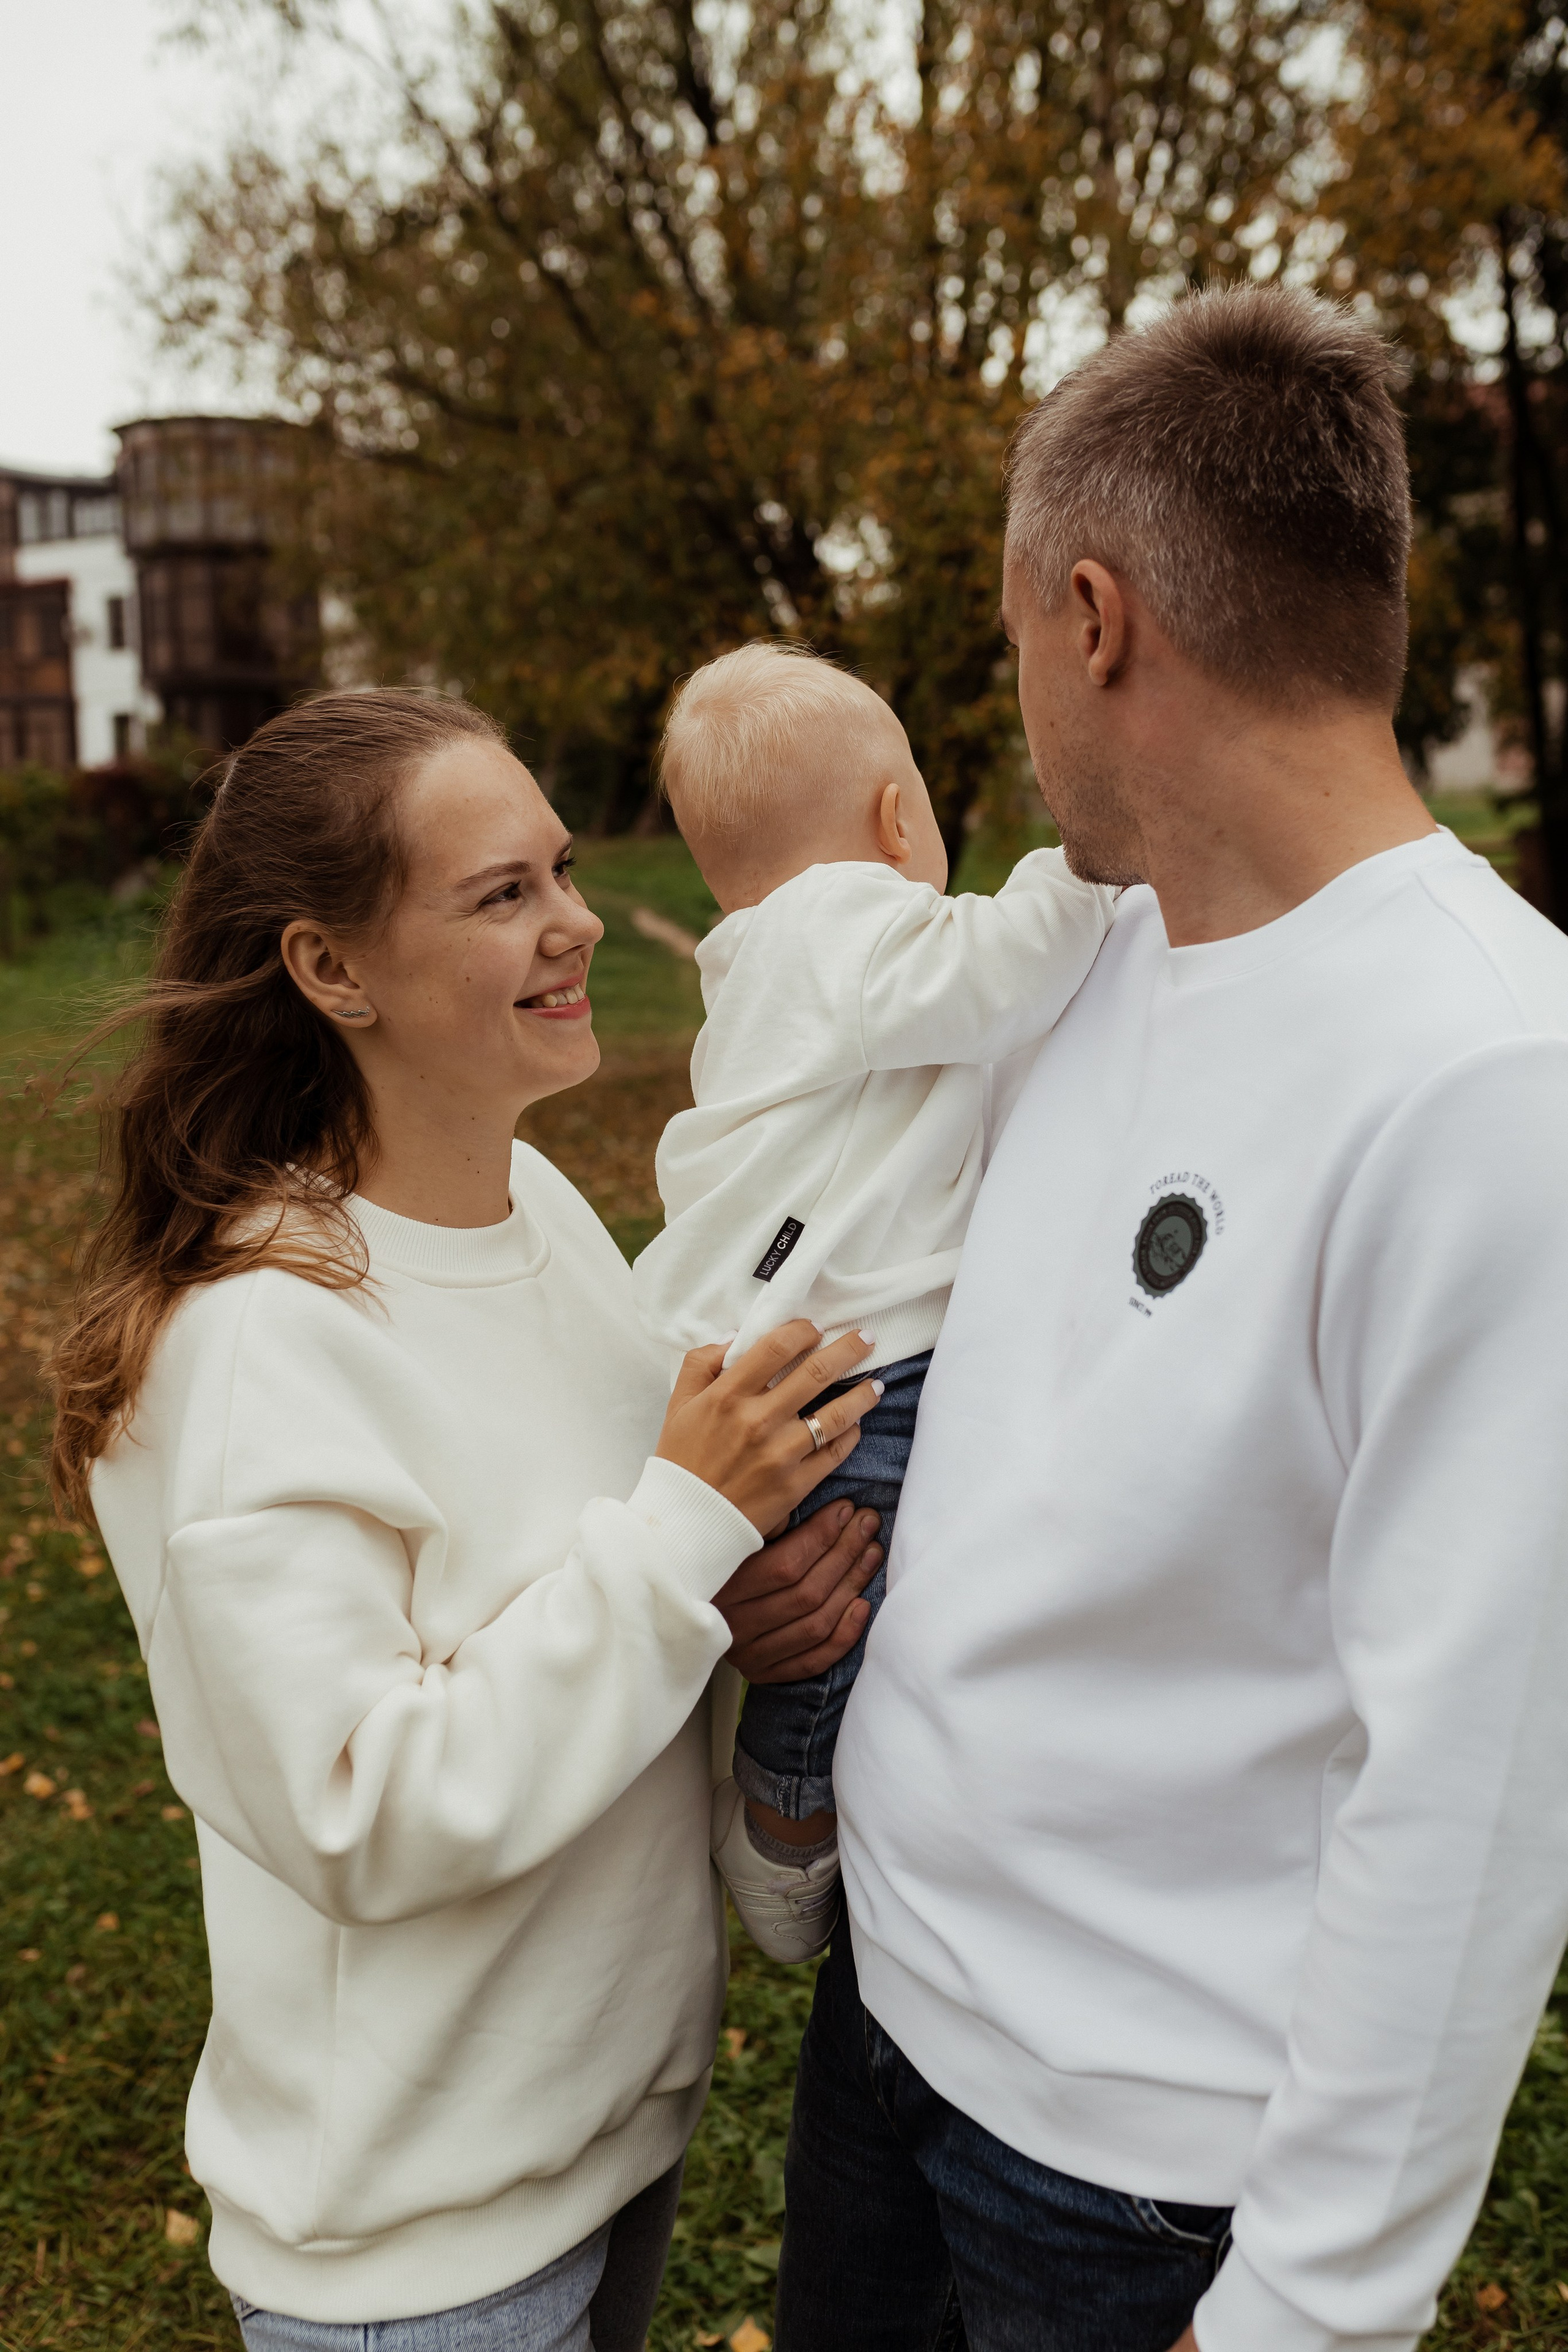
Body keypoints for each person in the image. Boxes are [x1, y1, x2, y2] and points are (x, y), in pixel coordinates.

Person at [779, 285, 1568, 2352]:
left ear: (1098, 617)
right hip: (888, 2035)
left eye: (1019, 636)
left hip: (1135, 2199)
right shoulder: (1092, 959)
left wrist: (1311, 2310)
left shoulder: (1494, 1083)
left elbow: (1482, 1790)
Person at [48, 688, 886, 2351]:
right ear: (330, 969)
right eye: (500, 894)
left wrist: (730, 1609)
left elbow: (602, 1612)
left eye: (561, 870)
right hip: (418, 2258)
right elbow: (363, 1809)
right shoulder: (256, 1341)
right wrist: (680, 1544)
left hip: (609, 2144)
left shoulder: (554, 1215)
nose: (574, 923)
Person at [632, 641, 1111, 1959]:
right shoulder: (844, 927)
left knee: (836, 1593)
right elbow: (1005, 965)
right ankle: (783, 1833)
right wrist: (1084, 855)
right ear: (899, 820)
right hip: (843, 1368)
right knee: (844, 1607)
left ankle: (793, 1807)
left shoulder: (764, 961)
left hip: (765, 1345)